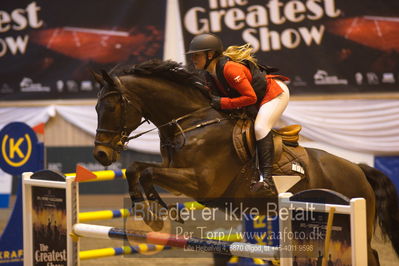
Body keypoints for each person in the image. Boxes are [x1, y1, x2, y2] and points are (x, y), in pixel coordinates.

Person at [186, 33, 290, 194]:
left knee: (261, 128)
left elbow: (250, 97)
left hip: (275, 94)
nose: (193, 60)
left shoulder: (229, 68)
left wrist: (223, 103)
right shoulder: (208, 75)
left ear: (210, 55)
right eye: (192, 56)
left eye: (196, 55)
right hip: (256, 100)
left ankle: (267, 180)